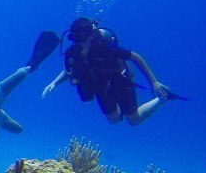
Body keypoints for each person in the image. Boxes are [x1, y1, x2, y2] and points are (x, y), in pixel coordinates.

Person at [41, 17, 179, 125]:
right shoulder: (73, 52)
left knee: (134, 120)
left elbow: (136, 57)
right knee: (114, 120)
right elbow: (69, 71)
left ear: (91, 35)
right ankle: (122, 107)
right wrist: (53, 83)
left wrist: (154, 82)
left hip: (120, 82)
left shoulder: (105, 48)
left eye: (82, 38)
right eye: (75, 38)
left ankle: (162, 98)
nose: (79, 43)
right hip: (100, 88)